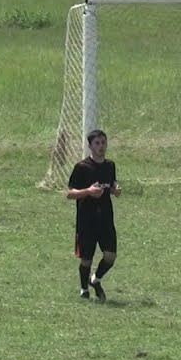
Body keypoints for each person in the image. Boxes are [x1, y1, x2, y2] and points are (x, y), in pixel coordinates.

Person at [66, 129, 121, 302]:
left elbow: (112, 184)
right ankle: (84, 289)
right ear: (90, 146)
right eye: (97, 143)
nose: (101, 147)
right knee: (86, 260)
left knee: (110, 256)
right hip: (86, 220)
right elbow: (70, 193)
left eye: (103, 143)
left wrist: (115, 189)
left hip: (105, 218)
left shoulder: (110, 165)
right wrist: (88, 191)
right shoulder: (82, 167)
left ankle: (95, 280)